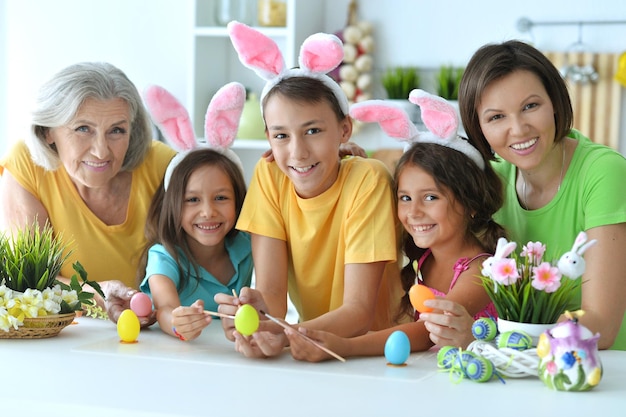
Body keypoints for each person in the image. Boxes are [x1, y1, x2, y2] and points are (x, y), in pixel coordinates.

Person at [215, 22, 403, 358]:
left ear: (344, 129)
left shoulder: (367, 180)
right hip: (311, 346)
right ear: (268, 137)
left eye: (313, 130)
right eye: (282, 136)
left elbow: (359, 312)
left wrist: (281, 334)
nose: (298, 153)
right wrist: (259, 319)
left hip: (377, 353)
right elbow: (272, 294)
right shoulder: (269, 176)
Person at [282, 90, 507, 361]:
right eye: (405, 198)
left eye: (431, 197)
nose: (414, 212)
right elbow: (360, 202)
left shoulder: (481, 270)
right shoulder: (423, 258)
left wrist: (344, 346)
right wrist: (340, 160)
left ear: (470, 203)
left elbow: (427, 331)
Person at [458, 40, 626, 350]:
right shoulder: (492, 180)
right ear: (478, 128)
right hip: (520, 372)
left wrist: (489, 339)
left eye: (530, 106)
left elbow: (601, 322)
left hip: (601, 373)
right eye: (497, 117)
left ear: (555, 103)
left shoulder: (604, 171)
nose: (519, 129)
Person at [0, 62, 176, 326]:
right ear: (48, 131)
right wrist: (97, 295)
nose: (101, 151)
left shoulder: (163, 166)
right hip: (65, 335)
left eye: (117, 130)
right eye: (83, 129)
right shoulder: (26, 165)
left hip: (159, 333)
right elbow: (27, 283)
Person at [137, 82, 252, 341]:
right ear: (173, 205)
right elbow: (166, 309)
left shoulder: (247, 246)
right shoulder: (164, 256)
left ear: (238, 200)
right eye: (192, 200)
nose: (208, 212)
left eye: (221, 197)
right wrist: (178, 322)